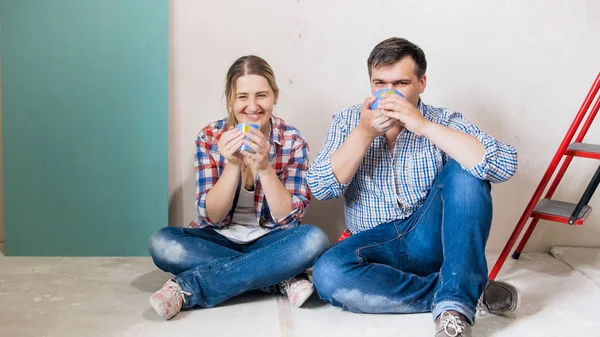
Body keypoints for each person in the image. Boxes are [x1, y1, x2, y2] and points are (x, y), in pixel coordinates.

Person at [307, 37, 520, 337]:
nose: (389, 94)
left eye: (401, 84)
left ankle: (456, 307)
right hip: (375, 245)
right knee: (327, 273)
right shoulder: (348, 121)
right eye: (380, 83)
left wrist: (423, 126)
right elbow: (320, 188)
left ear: (422, 82)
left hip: (428, 237)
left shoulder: (442, 120)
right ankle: (461, 291)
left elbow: (504, 164)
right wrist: (364, 134)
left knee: (467, 168)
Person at [148, 55, 329, 320]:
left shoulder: (292, 140)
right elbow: (212, 216)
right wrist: (231, 165)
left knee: (314, 240)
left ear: (275, 96)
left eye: (262, 95)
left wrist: (265, 167)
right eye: (242, 96)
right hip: (218, 238)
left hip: (272, 238)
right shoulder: (209, 137)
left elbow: (289, 218)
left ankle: (189, 287)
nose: (253, 106)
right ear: (230, 99)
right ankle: (276, 276)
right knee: (163, 244)